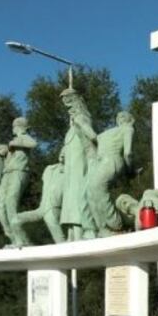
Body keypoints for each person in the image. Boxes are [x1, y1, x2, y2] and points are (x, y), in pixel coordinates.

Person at [86, 112, 134, 235]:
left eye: (124, 115)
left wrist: (130, 171)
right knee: (90, 192)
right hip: (102, 163)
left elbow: (127, 153)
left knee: (98, 189)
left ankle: (116, 225)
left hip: (111, 162)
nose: (121, 117)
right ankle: (103, 227)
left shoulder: (127, 128)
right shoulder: (113, 132)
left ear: (130, 120)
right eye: (119, 116)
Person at [59, 88, 98, 241]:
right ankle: (71, 231)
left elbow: (93, 137)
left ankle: (80, 230)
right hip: (70, 165)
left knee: (77, 194)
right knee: (69, 196)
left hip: (80, 162)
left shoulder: (81, 118)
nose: (69, 109)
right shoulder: (72, 124)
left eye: (70, 104)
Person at [0, 117, 37, 246]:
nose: (13, 129)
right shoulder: (13, 141)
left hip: (19, 172)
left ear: (19, 127)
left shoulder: (24, 137)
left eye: (14, 126)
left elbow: (33, 144)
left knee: (10, 203)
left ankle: (21, 239)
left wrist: (15, 144)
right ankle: (11, 236)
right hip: (7, 174)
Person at [12, 153, 66, 246]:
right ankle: (25, 244)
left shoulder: (71, 171)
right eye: (61, 151)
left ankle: (68, 252)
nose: (62, 154)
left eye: (66, 152)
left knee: (59, 239)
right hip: (41, 208)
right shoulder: (49, 169)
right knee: (15, 220)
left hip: (54, 207)